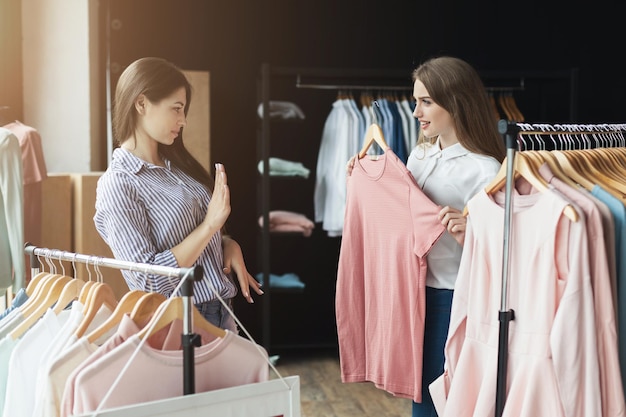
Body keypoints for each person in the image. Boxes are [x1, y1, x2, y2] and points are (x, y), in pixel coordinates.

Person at [346, 56, 506, 416]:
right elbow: (397, 218)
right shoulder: (419, 155)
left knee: (441, 401)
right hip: (409, 293)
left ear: (456, 101)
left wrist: (472, 237)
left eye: (426, 102)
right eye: (416, 100)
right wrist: (361, 178)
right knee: (421, 395)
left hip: (451, 300)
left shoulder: (485, 169)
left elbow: (503, 254)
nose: (416, 110)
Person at [94, 57, 263, 333]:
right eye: (176, 109)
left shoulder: (177, 167)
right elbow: (147, 280)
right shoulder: (118, 184)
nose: (183, 120)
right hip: (180, 322)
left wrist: (227, 244)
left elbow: (199, 235)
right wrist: (210, 227)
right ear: (141, 104)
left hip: (220, 309)